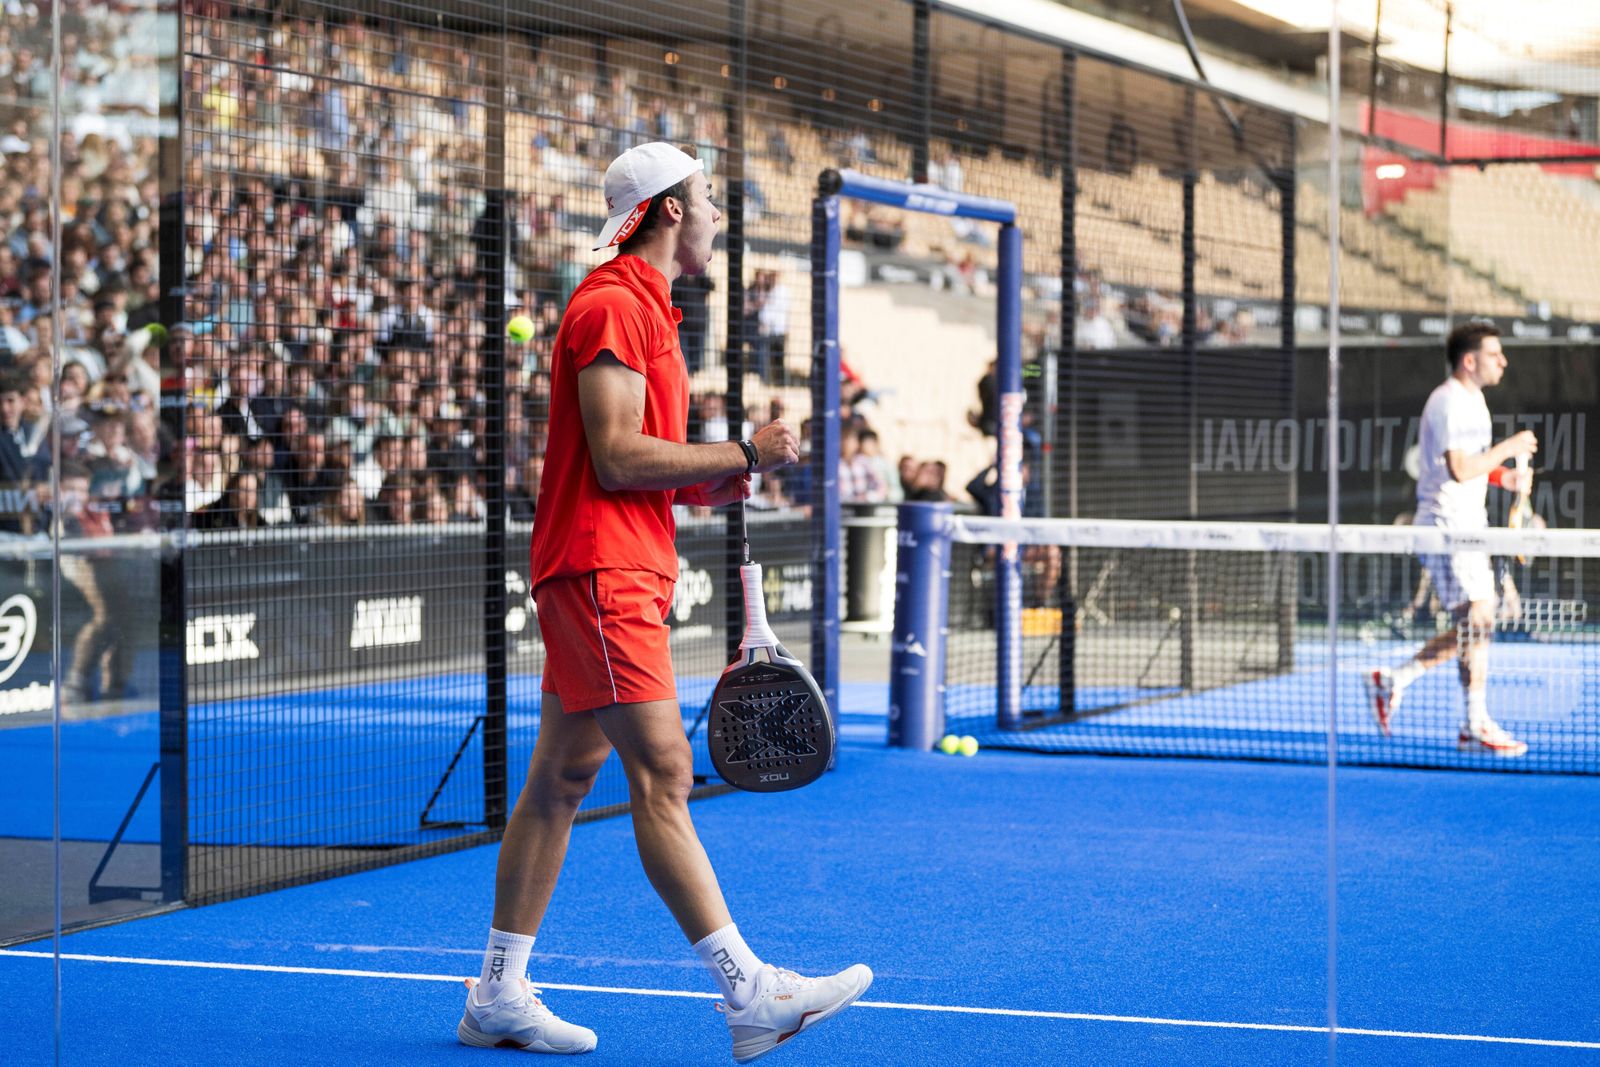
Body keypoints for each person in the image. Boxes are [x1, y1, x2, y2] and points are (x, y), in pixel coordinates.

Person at [460, 142, 872, 1061]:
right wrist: (745, 453)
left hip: (616, 564)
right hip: (601, 572)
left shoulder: (651, 311)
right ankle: (751, 992)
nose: (720, 212)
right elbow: (615, 455)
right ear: (671, 210)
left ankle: (495, 992)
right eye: (710, 197)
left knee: (561, 780)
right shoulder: (612, 304)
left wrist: (731, 479)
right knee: (665, 772)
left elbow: (651, 472)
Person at [1364, 322, 1537, 757]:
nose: (1503, 361)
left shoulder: (1473, 401)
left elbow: (1473, 466)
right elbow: (1459, 469)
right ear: (1469, 360)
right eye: (1495, 353)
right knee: (1478, 619)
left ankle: (1394, 680)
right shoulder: (1447, 403)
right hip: (1445, 526)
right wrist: (1509, 446)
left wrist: (1505, 476)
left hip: (1467, 524)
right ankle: (1474, 724)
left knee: (1476, 623)